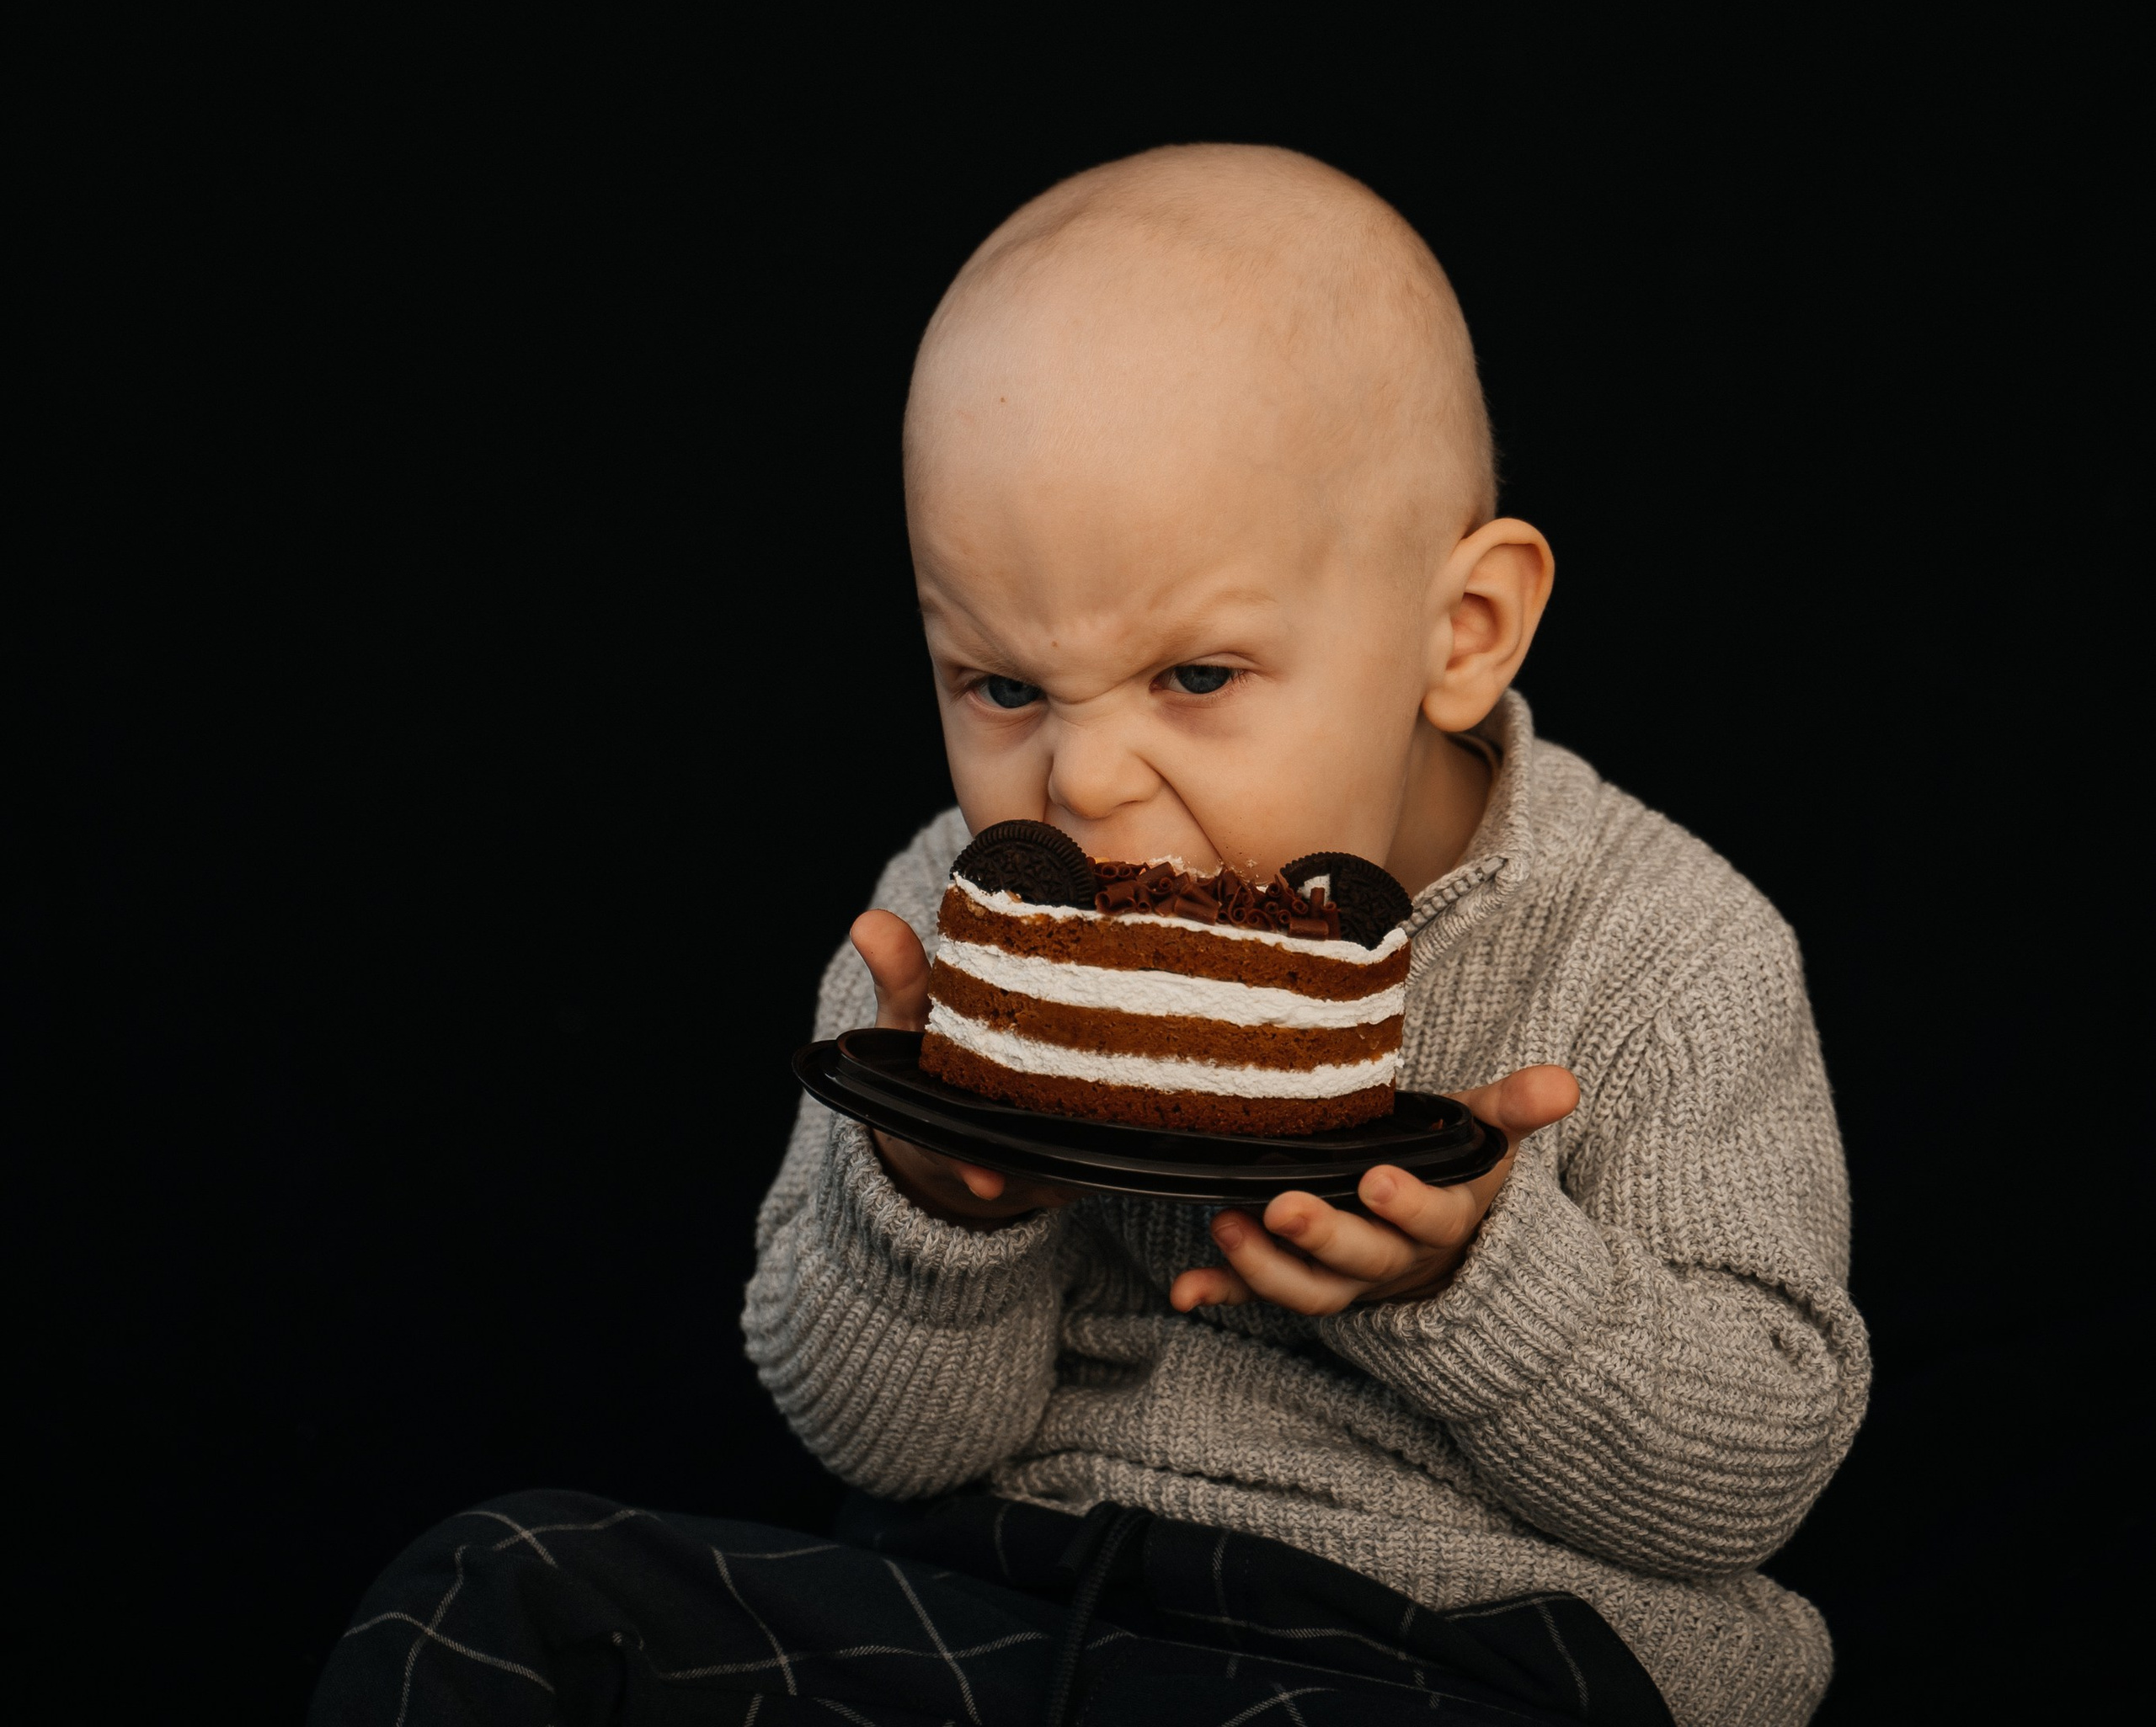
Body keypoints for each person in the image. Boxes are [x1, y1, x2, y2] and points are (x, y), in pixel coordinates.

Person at [312, 146, 1866, 1727]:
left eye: (1195, 679)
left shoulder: (1661, 952)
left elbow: (1747, 1484)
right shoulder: (947, 922)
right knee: (499, 1594)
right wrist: (934, 1204)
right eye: (1003, 687)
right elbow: (874, 1442)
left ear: (1460, 634)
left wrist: (1472, 1272)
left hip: (1449, 1648)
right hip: (1003, 1599)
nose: (1084, 781)